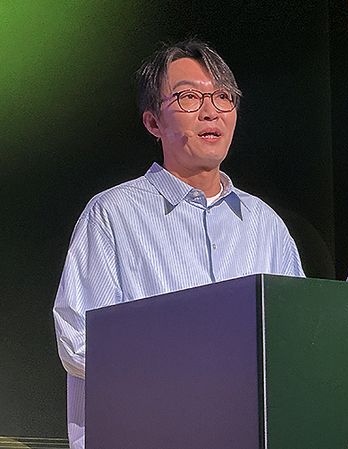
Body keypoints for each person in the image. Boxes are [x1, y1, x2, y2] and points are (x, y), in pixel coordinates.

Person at [52, 39, 305, 449]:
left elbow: (296, 340)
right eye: (189, 97)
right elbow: (78, 340)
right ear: (153, 123)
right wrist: (196, 376)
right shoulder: (113, 215)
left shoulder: (266, 225)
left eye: (223, 96)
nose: (211, 111)